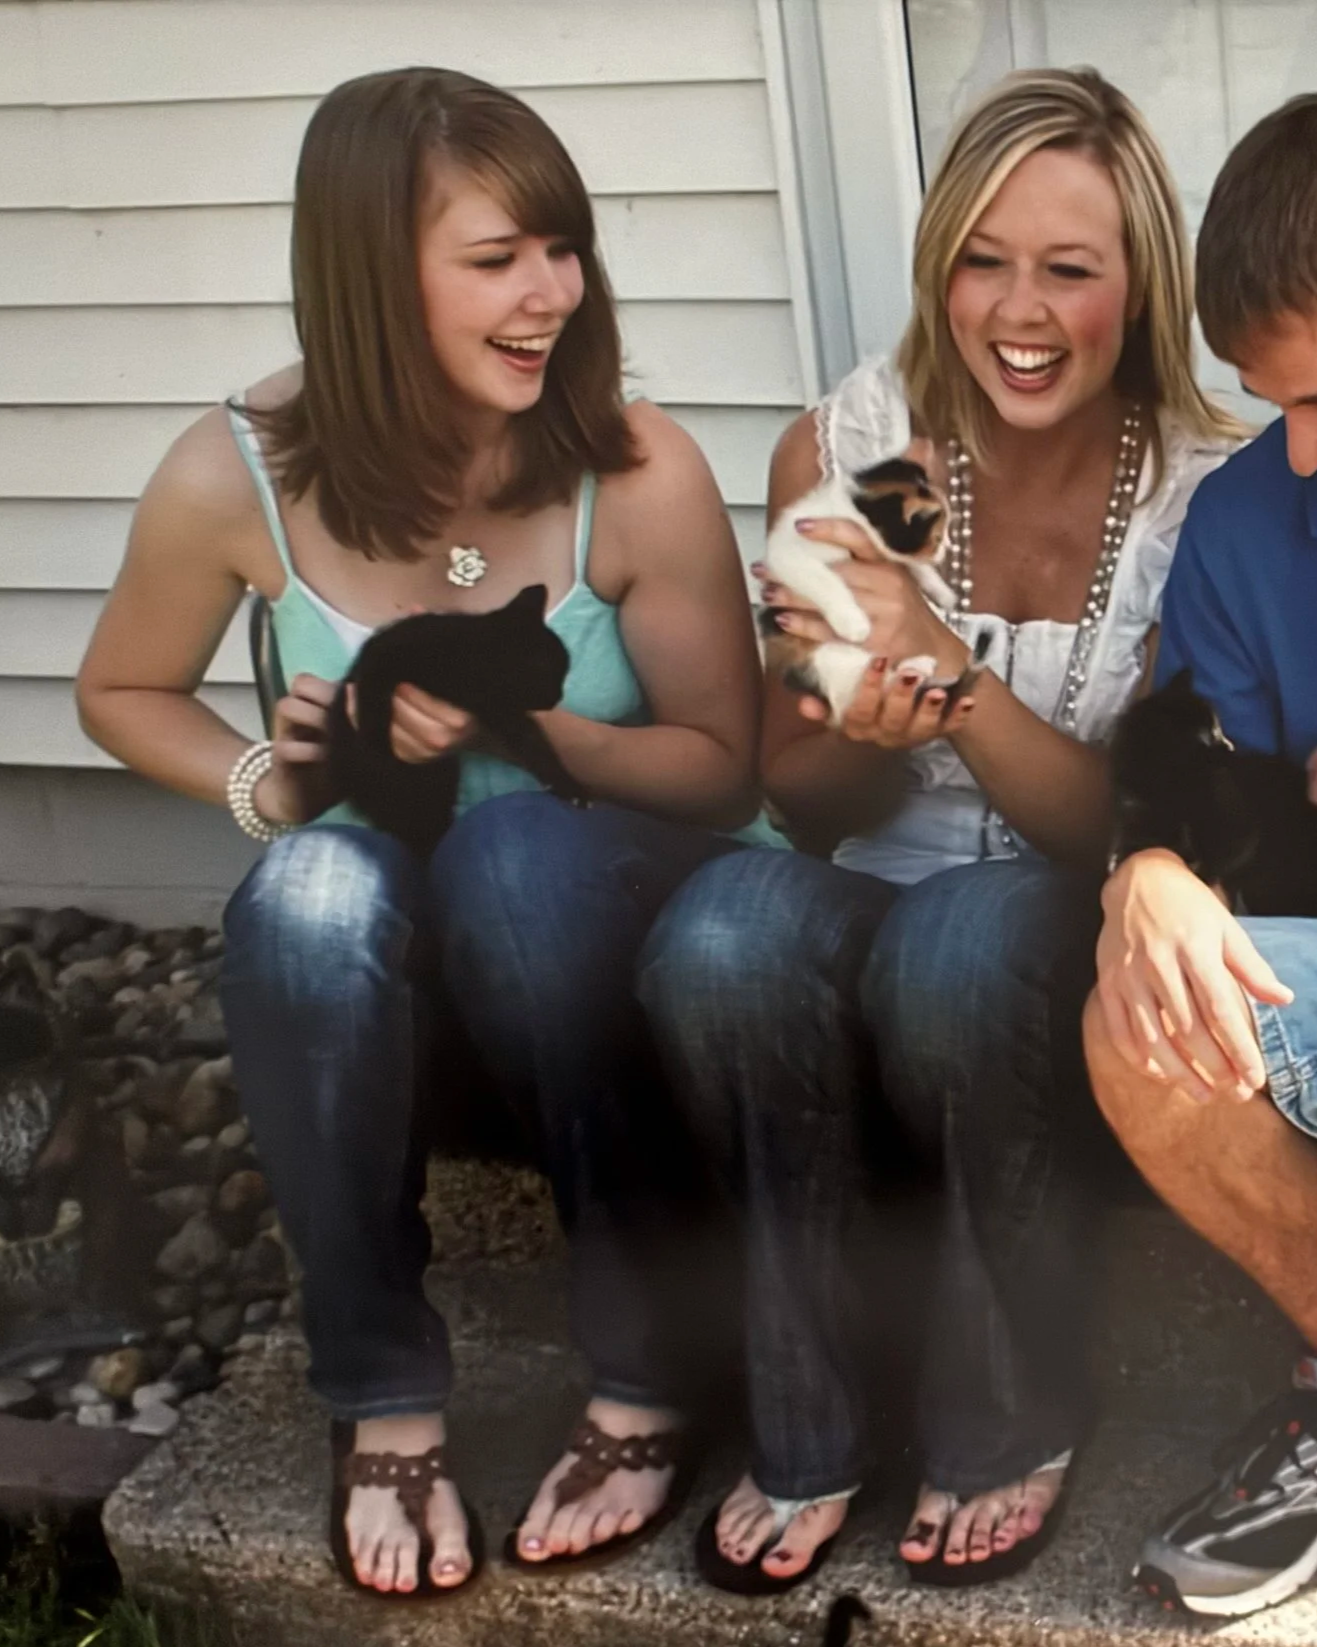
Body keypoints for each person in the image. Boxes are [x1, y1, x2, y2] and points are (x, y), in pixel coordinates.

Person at [75, 67, 775, 1599]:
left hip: (601, 931)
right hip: (404, 966)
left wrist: (526, 736)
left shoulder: (634, 467)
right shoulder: (238, 471)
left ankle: (648, 1369)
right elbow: (120, 687)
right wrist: (271, 778)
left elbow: (725, 770)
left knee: (514, 859)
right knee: (306, 895)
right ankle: (382, 1394)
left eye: (562, 246)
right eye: (496, 259)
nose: (552, 293)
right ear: (370, 275)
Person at [637, 67, 1243, 1595]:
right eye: (983, 257)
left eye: (1067, 266)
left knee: (960, 948)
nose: (1017, 308)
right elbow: (802, 793)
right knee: (721, 929)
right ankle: (807, 1411)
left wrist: (962, 690)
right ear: (938, 270)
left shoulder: (1190, 492)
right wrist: (861, 733)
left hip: (1061, 912)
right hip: (871, 892)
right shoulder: (880, 457)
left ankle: (1004, 1407)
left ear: (1138, 285)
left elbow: (1130, 823)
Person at [1084, 93, 1317, 1619]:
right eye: (1271, 397)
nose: (1300, 450)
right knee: (1150, 1016)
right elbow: (1190, 758)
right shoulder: (1245, 518)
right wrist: (1148, 864)